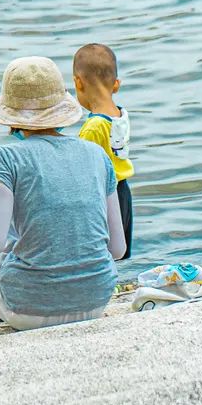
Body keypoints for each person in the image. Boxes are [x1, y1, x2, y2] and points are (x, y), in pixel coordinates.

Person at [0, 56, 125, 331]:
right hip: (95, 300)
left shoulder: (7, 157)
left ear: (10, 114)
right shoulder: (96, 155)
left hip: (24, 308)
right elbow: (117, 249)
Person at [73, 43, 134, 261]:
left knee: (101, 248)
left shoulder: (93, 126)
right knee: (118, 248)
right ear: (116, 85)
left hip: (104, 195)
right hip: (123, 190)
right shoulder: (120, 115)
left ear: (78, 83)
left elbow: (84, 168)